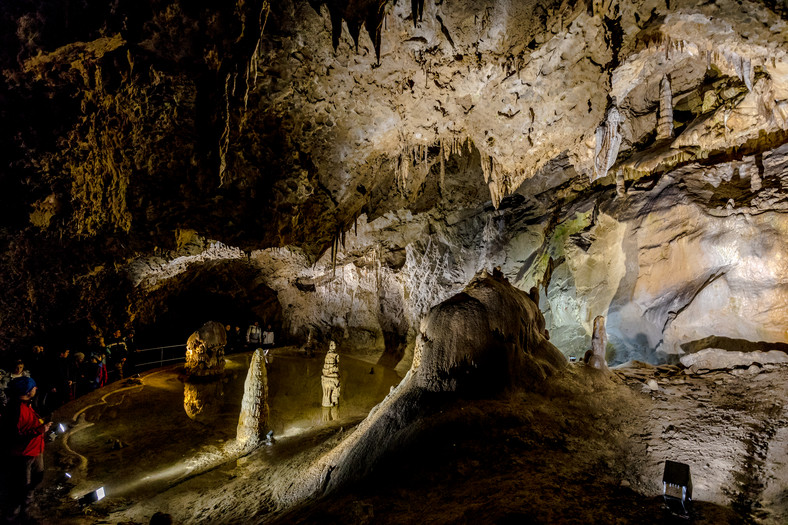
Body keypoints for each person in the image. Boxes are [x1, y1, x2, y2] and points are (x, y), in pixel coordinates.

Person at [1, 377, 52, 523]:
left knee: (36, 478)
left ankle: (25, 510)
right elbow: (13, 435)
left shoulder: (26, 404)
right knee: (20, 487)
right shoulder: (15, 409)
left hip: (34, 450)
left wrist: (40, 426)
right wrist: (39, 430)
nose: (36, 389)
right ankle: (14, 516)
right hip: (22, 455)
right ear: (28, 392)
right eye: (34, 387)